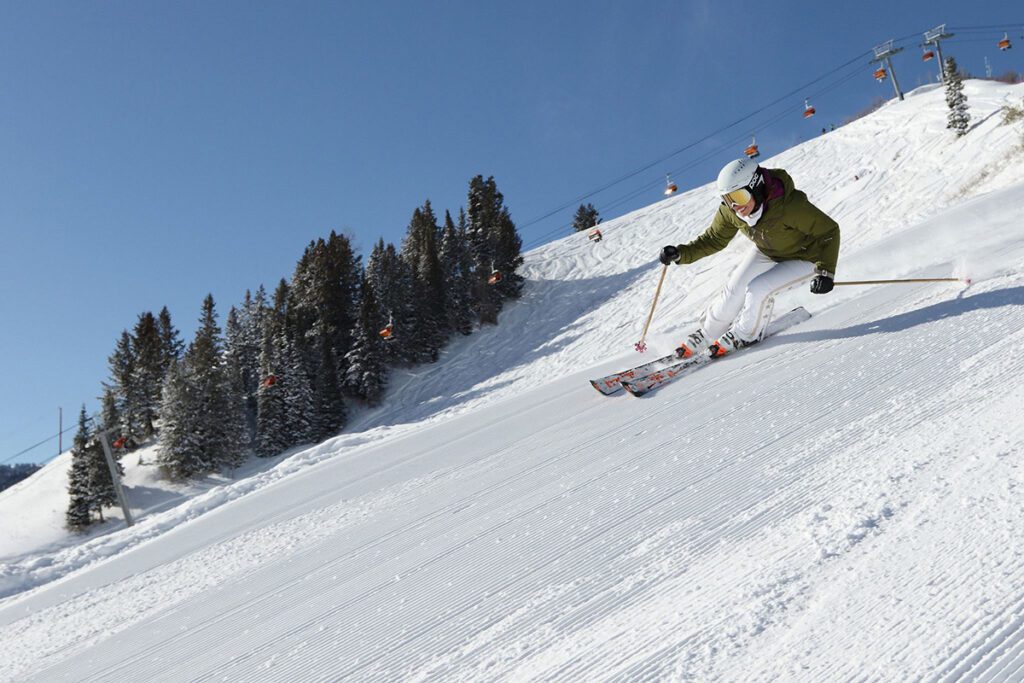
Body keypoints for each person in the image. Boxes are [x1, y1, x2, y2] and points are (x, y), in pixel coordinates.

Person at [659, 158, 840, 358]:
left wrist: (825, 272)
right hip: (769, 252)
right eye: (728, 199)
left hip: (807, 257)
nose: (736, 205)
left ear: (756, 187)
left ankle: (745, 334)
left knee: (758, 288)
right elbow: (714, 238)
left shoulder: (789, 206)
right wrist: (681, 253)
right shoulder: (732, 213)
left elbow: (829, 231)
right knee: (734, 288)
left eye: (739, 196)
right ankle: (708, 334)